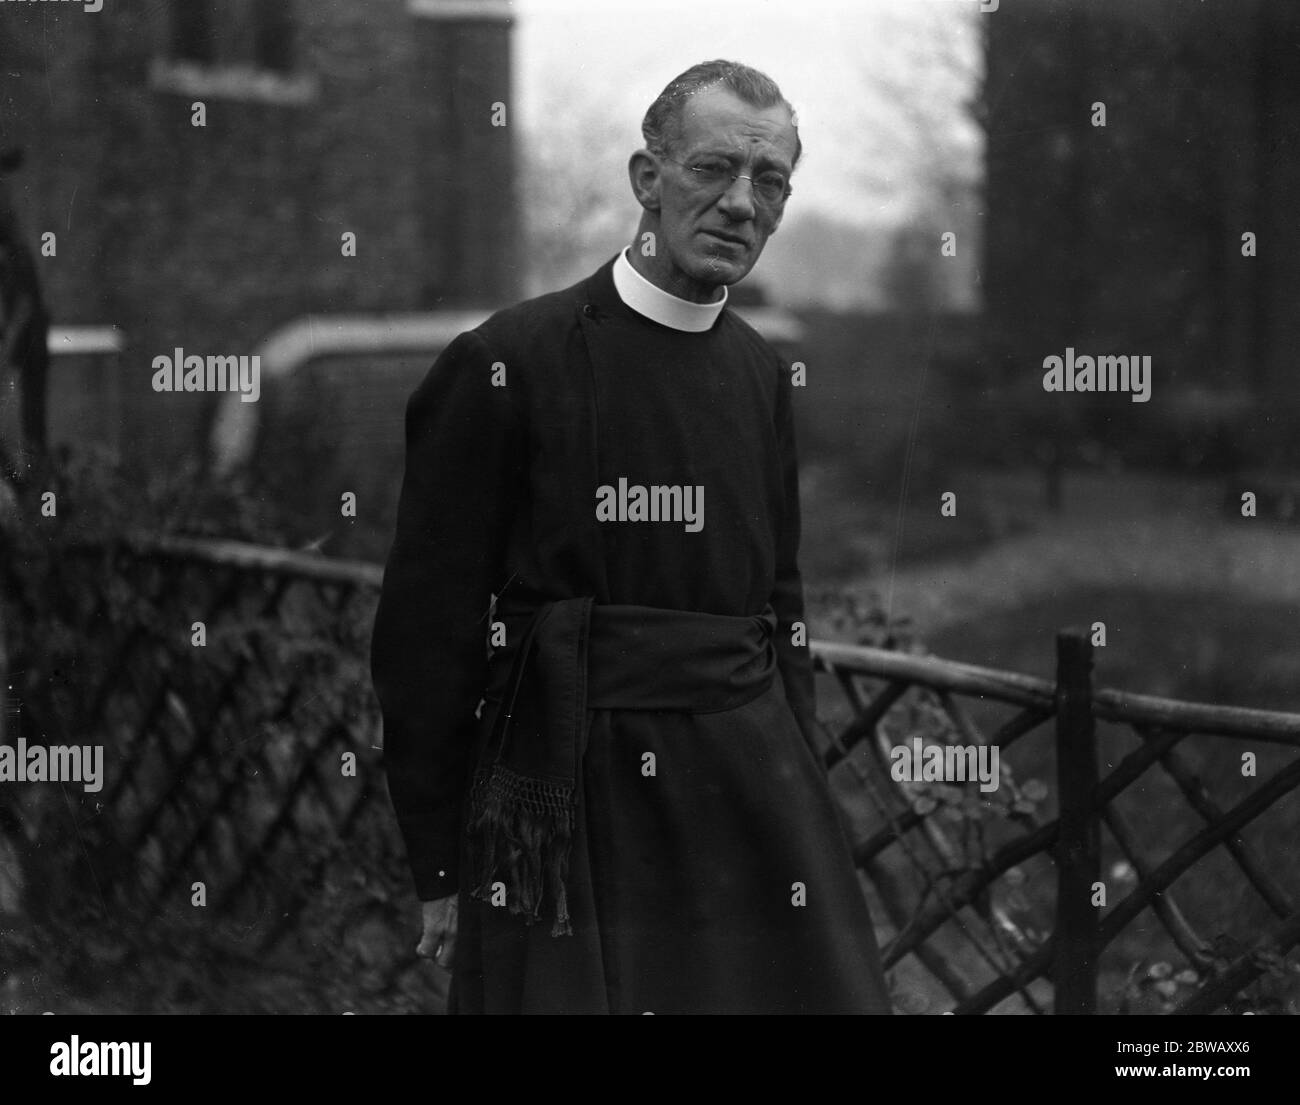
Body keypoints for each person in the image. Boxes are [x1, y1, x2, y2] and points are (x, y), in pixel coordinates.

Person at [370, 59, 891, 1014]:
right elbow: (426, 635)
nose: (742, 203)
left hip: (748, 798)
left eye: (768, 182)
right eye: (713, 169)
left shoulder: (762, 374)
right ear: (647, 180)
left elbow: (784, 609)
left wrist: (801, 798)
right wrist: (439, 861)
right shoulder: (504, 364)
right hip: (569, 799)